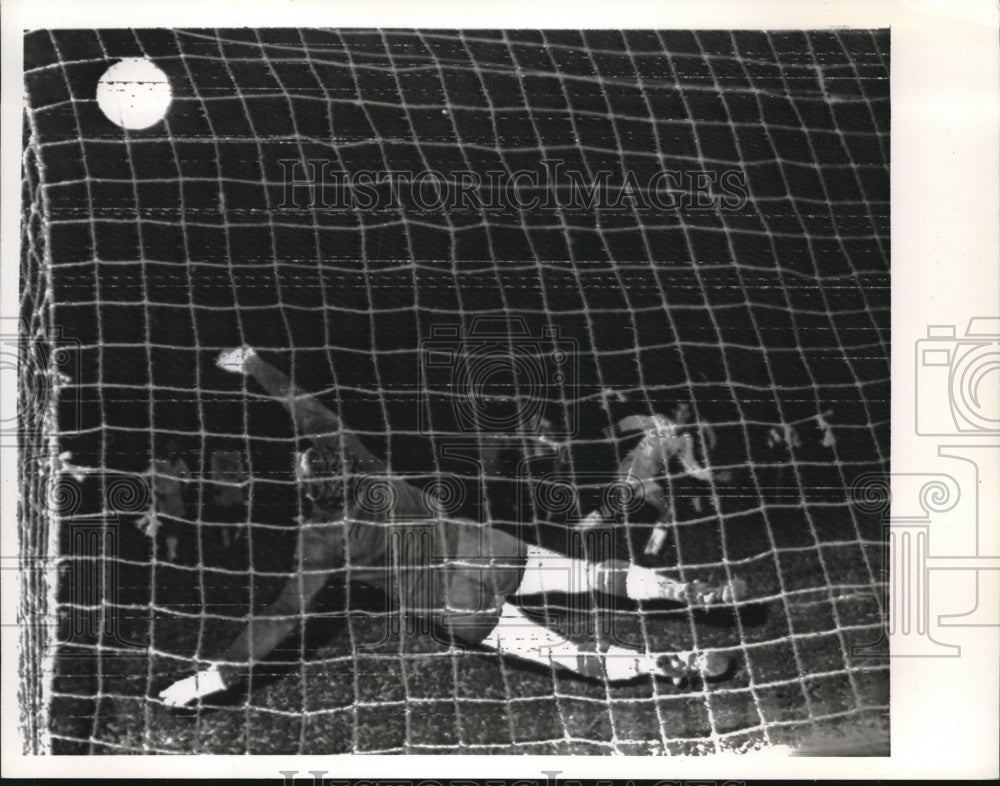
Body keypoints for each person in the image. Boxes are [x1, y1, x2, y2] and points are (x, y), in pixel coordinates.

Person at [158, 347, 745, 707]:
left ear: (310, 486)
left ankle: (663, 666)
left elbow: (282, 617)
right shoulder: (372, 472)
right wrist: (257, 364)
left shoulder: (319, 541)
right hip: (488, 550)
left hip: (455, 604)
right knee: (592, 575)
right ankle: (691, 593)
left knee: (565, 654)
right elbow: (313, 413)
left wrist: (217, 675)